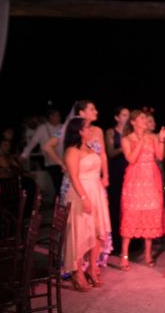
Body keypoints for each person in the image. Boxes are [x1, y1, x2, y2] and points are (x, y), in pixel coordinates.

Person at [62, 117, 112, 291]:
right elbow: (74, 177)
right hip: (80, 192)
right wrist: (84, 198)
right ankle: (77, 272)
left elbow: (97, 169)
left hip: (96, 190)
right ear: (79, 131)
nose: (91, 130)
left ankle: (92, 267)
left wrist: (101, 193)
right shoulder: (72, 151)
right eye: (88, 128)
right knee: (81, 232)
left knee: (98, 232)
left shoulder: (90, 148)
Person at [119, 110, 165, 270]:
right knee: (131, 215)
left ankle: (148, 254)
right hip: (135, 179)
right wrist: (140, 141)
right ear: (133, 122)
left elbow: (160, 156)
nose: (145, 120)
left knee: (150, 214)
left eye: (146, 118)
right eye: (141, 118)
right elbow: (131, 159)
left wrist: (161, 139)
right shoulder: (126, 139)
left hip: (151, 179)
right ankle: (124, 255)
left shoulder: (153, 136)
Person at [105, 106, 130, 255]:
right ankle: (115, 241)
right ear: (117, 117)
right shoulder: (110, 132)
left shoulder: (130, 132)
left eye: (128, 114)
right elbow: (110, 152)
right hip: (116, 170)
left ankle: (131, 243)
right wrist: (125, 146)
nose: (126, 117)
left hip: (129, 169)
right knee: (115, 205)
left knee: (128, 206)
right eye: (124, 114)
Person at [20, 108, 62, 190]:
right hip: (51, 163)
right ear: (51, 117)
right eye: (57, 115)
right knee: (57, 185)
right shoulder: (42, 128)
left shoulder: (63, 127)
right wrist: (24, 155)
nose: (59, 117)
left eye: (59, 115)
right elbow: (32, 142)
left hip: (64, 162)